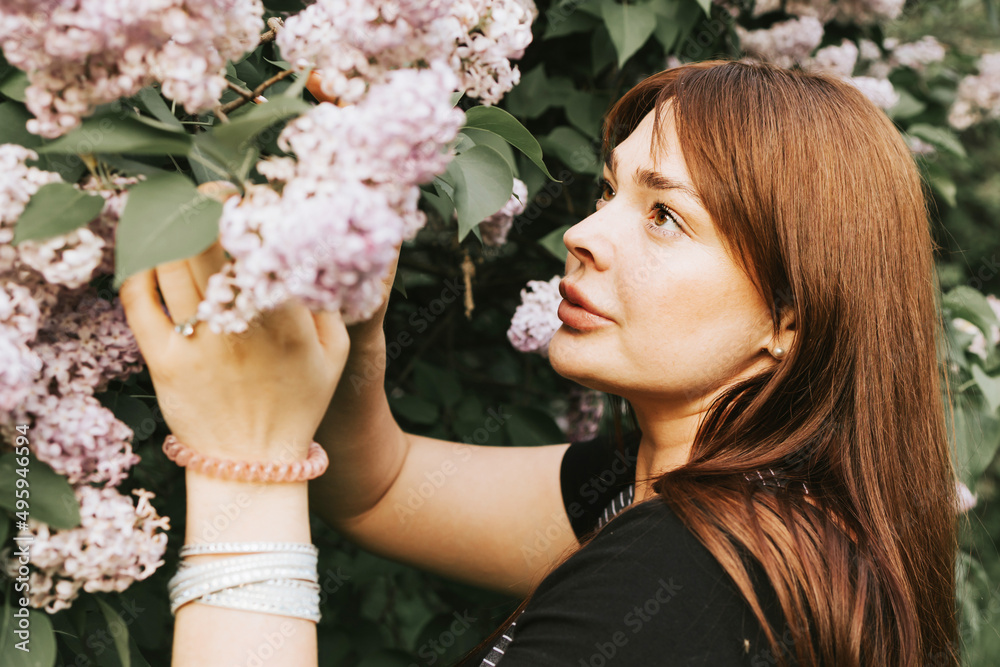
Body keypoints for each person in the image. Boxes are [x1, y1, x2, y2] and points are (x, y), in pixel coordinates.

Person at [119, 58, 960, 667]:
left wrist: (247, 463)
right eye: (608, 191)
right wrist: (355, 332)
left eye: (665, 215)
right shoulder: (687, 496)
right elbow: (378, 484)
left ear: (788, 317)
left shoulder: (689, 582)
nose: (584, 235)